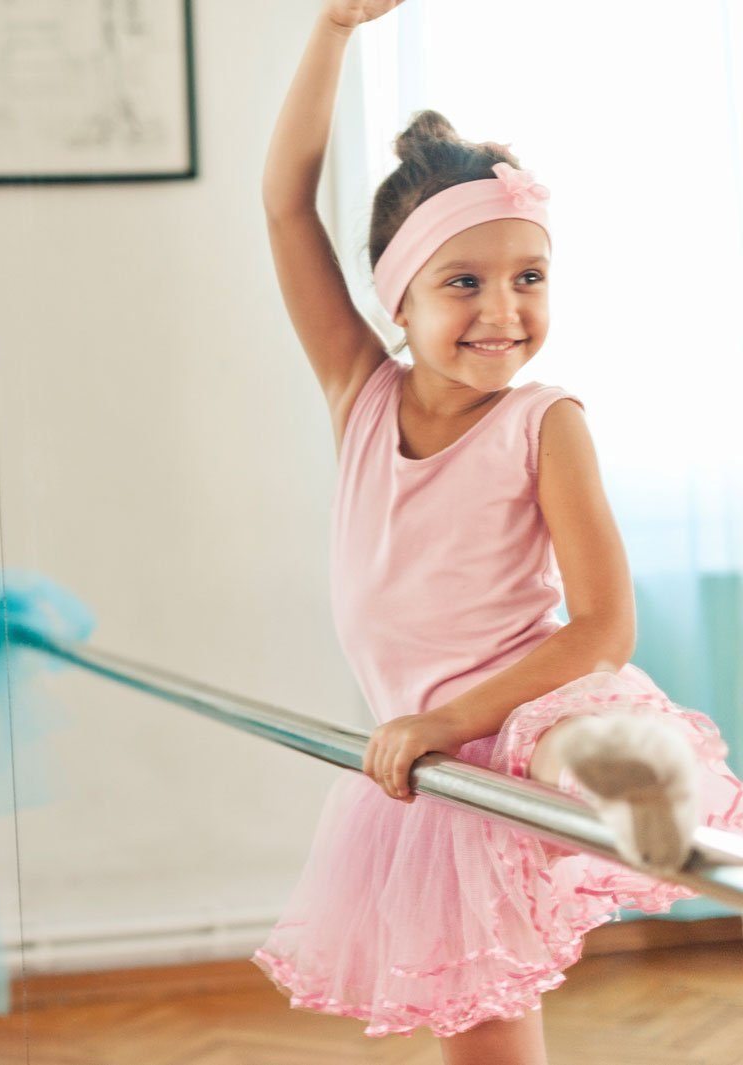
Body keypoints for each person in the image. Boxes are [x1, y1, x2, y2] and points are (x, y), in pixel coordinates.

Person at [254, 2, 743, 1061]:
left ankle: (631, 774)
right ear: (396, 297)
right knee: (484, 1044)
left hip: (530, 704)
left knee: (567, 741)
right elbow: (285, 206)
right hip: (433, 768)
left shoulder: (543, 420)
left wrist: (451, 721)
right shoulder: (360, 397)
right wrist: (332, 32)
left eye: (529, 277)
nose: (502, 311)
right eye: (462, 283)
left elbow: (601, 629)